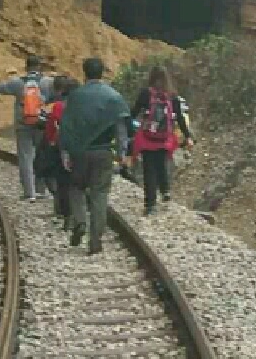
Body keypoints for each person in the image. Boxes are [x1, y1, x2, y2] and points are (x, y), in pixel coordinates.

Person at [58, 58, 131, 255]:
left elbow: (66, 126)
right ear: (102, 73)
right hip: (104, 152)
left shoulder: (75, 96)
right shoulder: (113, 97)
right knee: (100, 195)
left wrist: (65, 152)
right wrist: (123, 153)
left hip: (79, 153)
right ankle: (95, 240)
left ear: (85, 73)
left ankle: (80, 220)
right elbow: (121, 128)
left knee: (76, 188)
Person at [130, 66, 193, 215]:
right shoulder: (172, 96)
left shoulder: (145, 94)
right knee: (161, 164)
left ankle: (150, 205)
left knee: (149, 170)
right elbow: (179, 118)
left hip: (147, 138)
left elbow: (133, 112)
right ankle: (165, 191)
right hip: (165, 139)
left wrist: (128, 127)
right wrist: (188, 136)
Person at [0, 54, 54, 201]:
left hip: (23, 124)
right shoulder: (47, 82)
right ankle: (41, 190)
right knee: (41, 155)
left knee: (25, 157)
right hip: (41, 123)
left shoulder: (17, 83)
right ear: (39, 67)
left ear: (26, 67)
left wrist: (6, 76)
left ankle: (29, 192)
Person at [39, 75, 75, 228]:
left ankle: (65, 212)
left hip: (59, 147)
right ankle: (74, 214)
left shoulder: (57, 106)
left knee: (60, 181)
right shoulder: (79, 106)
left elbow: (49, 129)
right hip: (79, 148)